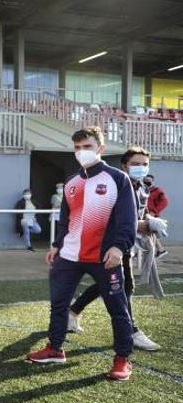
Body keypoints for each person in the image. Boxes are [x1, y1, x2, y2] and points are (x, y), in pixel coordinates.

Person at [26, 126, 136, 381]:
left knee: (118, 309)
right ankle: (55, 348)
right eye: (77, 148)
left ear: (100, 149)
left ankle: (122, 358)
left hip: (104, 257)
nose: (81, 152)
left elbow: (127, 220)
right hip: (69, 256)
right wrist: (56, 245)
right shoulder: (72, 183)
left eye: (86, 147)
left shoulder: (118, 179)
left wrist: (119, 247)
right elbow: (66, 219)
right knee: (59, 304)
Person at [68, 146, 160, 351]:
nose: (141, 168)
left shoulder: (142, 188)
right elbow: (109, 218)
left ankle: (72, 312)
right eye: (135, 164)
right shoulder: (114, 184)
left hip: (126, 245)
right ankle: (132, 331)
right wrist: (142, 225)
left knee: (107, 284)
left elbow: (136, 216)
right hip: (110, 246)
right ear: (125, 165)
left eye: (144, 164)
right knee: (125, 287)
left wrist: (149, 221)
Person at [144, 174, 169, 259]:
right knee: (148, 233)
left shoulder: (157, 190)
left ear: (152, 181)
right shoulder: (143, 189)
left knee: (149, 233)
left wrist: (154, 212)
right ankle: (160, 250)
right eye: (145, 180)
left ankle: (160, 250)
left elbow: (165, 202)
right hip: (144, 214)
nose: (147, 182)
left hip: (152, 216)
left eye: (149, 180)